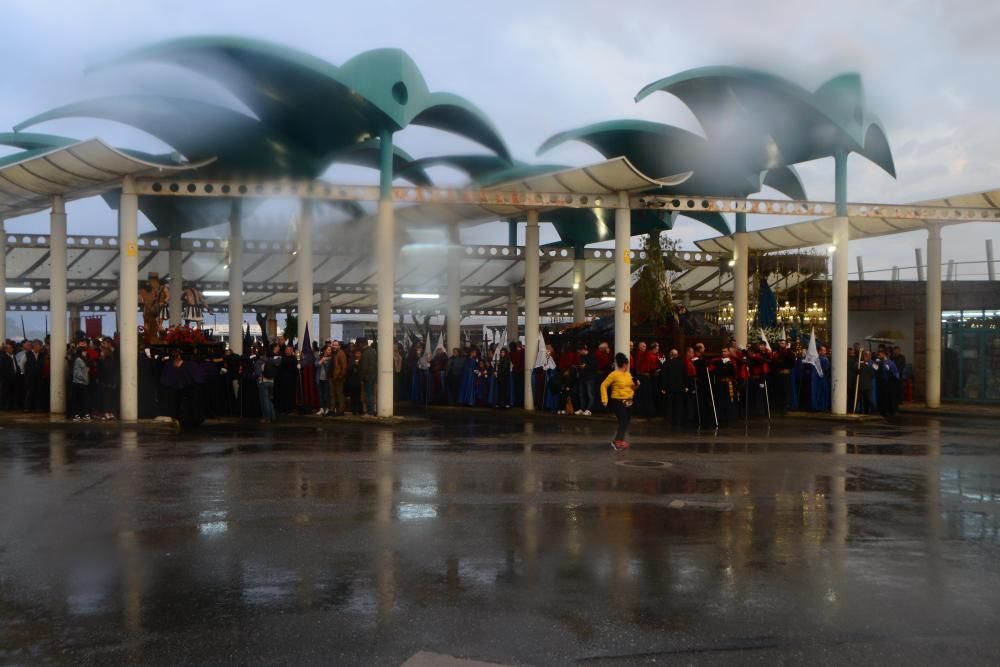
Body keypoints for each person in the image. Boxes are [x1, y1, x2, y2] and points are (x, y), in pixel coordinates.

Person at [600, 352, 637, 451]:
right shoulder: (614, 374)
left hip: (628, 400)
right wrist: (604, 399)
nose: (628, 365)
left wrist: (636, 385)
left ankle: (620, 440)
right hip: (618, 401)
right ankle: (617, 441)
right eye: (627, 364)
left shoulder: (628, 374)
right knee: (623, 421)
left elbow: (632, 387)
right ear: (624, 364)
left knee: (626, 421)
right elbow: (603, 385)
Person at [70, 347, 91, 421]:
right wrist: (85, 379)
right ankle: (78, 415)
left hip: (81, 383)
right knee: (80, 399)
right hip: (79, 383)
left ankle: (81, 414)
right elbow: (77, 373)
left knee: (81, 399)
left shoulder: (81, 360)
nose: (85, 352)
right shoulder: (78, 360)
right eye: (84, 351)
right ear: (80, 352)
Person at [360, 341, 378, 415]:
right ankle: (373, 410)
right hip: (373, 375)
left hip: (367, 376)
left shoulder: (365, 353)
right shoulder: (374, 352)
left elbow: (364, 367)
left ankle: (370, 412)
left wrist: (362, 377)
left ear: (362, 344)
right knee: (372, 394)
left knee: (369, 394)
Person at [330, 340, 347, 416]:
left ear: (339, 346)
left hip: (338, 377)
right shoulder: (333, 353)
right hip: (332, 376)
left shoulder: (341, 353)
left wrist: (340, 376)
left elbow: (344, 367)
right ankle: (332, 410)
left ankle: (341, 410)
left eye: (336, 345)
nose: (334, 346)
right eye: (333, 345)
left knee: (339, 394)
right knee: (332, 394)